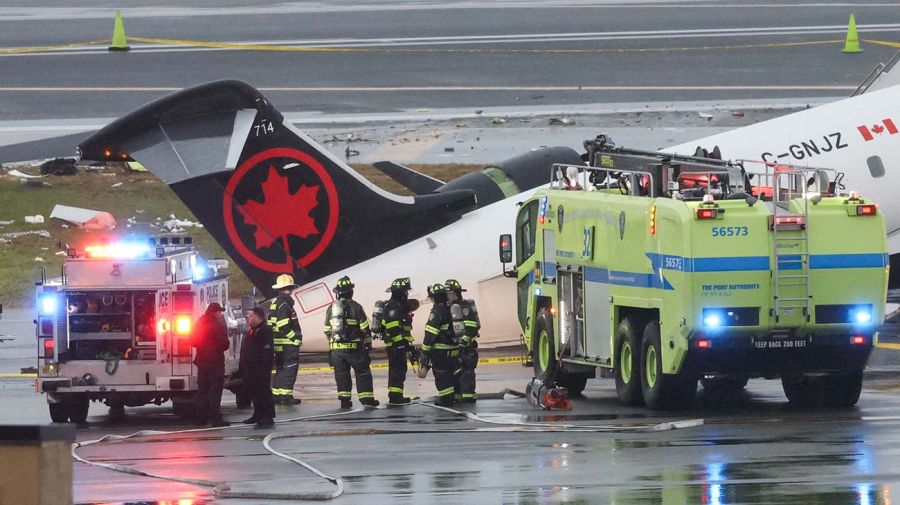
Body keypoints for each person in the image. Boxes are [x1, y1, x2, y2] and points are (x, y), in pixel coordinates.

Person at [324, 276, 379, 409]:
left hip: (337, 350)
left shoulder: (331, 308)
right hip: (355, 349)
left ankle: (345, 401)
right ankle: (367, 400)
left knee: (341, 375)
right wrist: (368, 343)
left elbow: (326, 329)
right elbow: (364, 328)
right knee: (362, 373)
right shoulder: (356, 307)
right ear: (351, 292)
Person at [377, 277, 420, 405]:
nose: (407, 294)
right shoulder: (393, 306)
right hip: (395, 345)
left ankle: (395, 395)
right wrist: (401, 344)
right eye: (406, 291)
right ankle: (396, 397)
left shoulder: (398, 305)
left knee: (398, 369)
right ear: (401, 292)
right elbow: (392, 327)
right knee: (398, 370)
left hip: (398, 344)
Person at [421, 284, 460, 407]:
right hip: (454, 349)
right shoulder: (452, 308)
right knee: (452, 374)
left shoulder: (437, 311)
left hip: (441, 350)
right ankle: (456, 396)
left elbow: (430, 333)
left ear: (434, 298)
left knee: (442, 374)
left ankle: (446, 399)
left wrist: (424, 351)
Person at [192, 302, 230, 427]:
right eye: (219, 312)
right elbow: (225, 344)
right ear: (215, 312)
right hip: (215, 362)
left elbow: (192, 340)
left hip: (202, 361)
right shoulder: (218, 325)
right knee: (215, 390)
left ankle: (200, 418)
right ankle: (215, 418)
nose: (220, 314)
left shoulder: (199, 323)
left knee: (202, 390)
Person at [268, 274, 303, 405]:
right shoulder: (284, 304)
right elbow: (283, 325)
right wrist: (295, 339)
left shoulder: (276, 303)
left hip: (278, 343)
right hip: (287, 344)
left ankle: (277, 395)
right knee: (290, 368)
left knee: (281, 369)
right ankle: (286, 396)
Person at [241, 307, 276, 428]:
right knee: (255, 392)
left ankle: (267, 416)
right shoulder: (253, 330)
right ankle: (257, 414)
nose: (248, 318)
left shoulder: (265, 330)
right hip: (251, 368)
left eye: (250, 315)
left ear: (257, 317)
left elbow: (267, 350)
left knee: (263, 391)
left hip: (260, 368)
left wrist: (262, 367)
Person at [446, 279, 480, 403]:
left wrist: (465, 341)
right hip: (456, 345)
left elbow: (471, 325)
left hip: (466, 346)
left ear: (455, 293)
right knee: (456, 370)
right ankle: (458, 395)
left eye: (448, 294)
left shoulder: (464, 306)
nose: (447, 296)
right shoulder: (451, 307)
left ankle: (468, 395)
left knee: (467, 371)